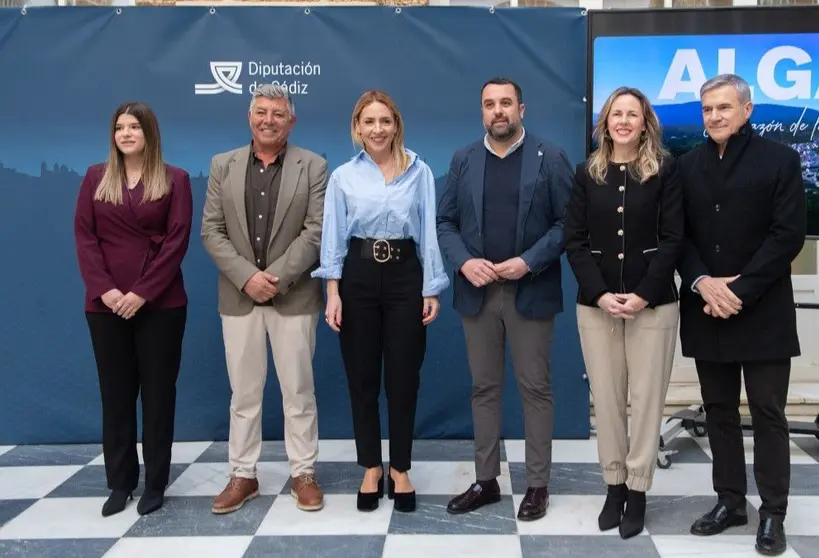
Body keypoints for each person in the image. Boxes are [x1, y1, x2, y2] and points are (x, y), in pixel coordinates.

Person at [677, 74, 806, 556]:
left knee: (768, 413)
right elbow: (679, 237)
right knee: (718, 412)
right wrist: (703, 283)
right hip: (706, 304)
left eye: (724, 108)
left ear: (747, 110)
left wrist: (740, 291)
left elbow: (787, 235)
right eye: (708, 109)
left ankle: (773, 513)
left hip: (763, 309)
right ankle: (730, 502)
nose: (714, 117)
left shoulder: (780, 160)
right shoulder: (685, 165)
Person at [437, 77, 573, 522]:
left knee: (535, 389)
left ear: (522, 109)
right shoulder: (463, 160)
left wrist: (528, 261)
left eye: (506, 103)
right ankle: (486, 480)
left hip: (529, 291)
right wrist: (463, 263)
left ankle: (537, 486)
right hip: (477, 293)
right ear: (482, 112)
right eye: (490, 104)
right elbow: (445, 224)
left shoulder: (550, 158)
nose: (499, 111)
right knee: (484, 388)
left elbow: (566, 224)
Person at [312, 90, 449, 514]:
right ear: (357, 128)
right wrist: (332, 293)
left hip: (407, 275)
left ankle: (401, 469)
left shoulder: (419, 170)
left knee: (404, 377)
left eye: (384, 121)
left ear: (396, 124)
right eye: (368, 122)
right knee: (363, 377)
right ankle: (371, 467)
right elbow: (333, 237)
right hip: (358, 277)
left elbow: (428, 231)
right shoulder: (343, 177)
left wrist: (431, 286)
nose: (377, 129)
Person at [201, 84, 328, 514]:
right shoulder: (223, 164)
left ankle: (303, 473)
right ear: (249, 117)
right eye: (261, 112)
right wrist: (247, 279)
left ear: (291, 121)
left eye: (277, 113)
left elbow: (316, 231)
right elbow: (211, 232)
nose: (268, 119)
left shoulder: (313, 166)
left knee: (298, 390)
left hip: (293, 297)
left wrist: (274, 279)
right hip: (240, 300)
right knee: (244, 394)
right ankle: (243, 475)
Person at [564, 86, 683, 539]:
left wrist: (643, 293)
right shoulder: (586, 173)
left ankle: (638, 490)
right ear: (605, 121)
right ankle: (613, 487)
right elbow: (574, 241)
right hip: (597, 308)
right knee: (608, 400)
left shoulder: (665, 170)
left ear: (645, 121)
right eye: (617, 114)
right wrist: (600, 294)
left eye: (633, 114)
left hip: (651, 306)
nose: (624, 121)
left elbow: (674, 238)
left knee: (646, 401)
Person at [73, 101, 193, 518]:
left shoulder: (175, 179)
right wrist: (105, 290)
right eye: (119, 128)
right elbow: (85, 238)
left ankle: (156, 483)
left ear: (149, 134)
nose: (125, 134)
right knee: (116, 396)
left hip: (161, 305)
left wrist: (142, 293)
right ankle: (121, 482)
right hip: (105, 307)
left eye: (134, 127)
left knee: (158, 397)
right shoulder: (94, 178)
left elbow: (177, 242)